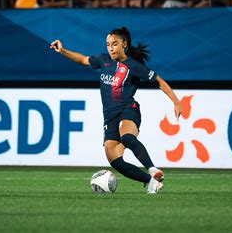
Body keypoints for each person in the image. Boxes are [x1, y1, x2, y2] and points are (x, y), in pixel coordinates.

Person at [50, 27, 182, 194]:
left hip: (128, 110)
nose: (110, 48)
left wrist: (176, 102)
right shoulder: (103, 60)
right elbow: (83, 59)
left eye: (114, 44)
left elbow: (159, 81)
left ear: (124, 44)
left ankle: (152, 169)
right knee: (115, 161)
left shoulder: (134, 66)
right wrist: (62, 51)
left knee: (126, 137)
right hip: (110, 117)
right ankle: (151, 182)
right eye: (108, 44)